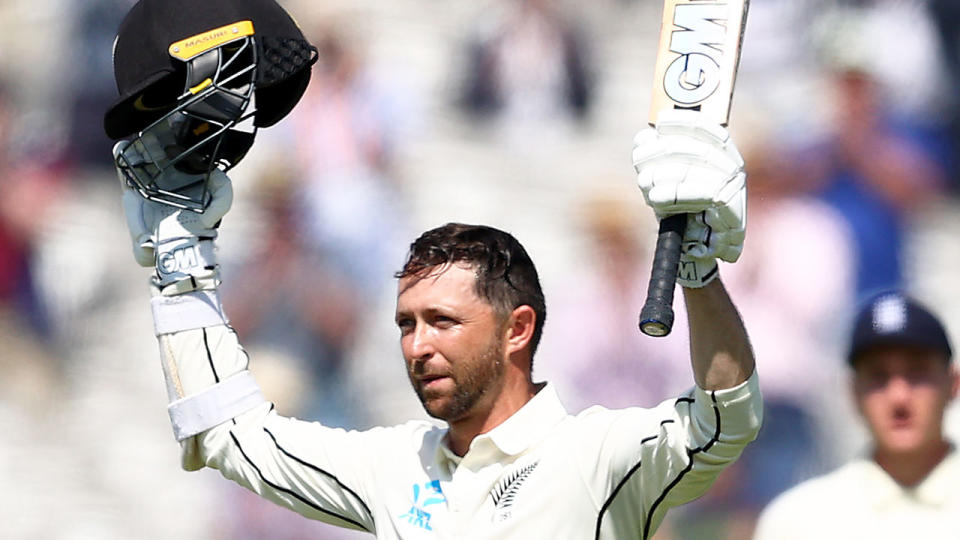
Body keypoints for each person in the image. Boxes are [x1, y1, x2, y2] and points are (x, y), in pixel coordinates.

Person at [106, 2, 761, 538]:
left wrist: (699, 277)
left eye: (442, 321)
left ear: (517, 328)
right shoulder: (394, 468)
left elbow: (726, 421)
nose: (417, 346)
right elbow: (228, 435)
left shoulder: (594, 455)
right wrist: (178, 266)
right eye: (407, 324)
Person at [753, 292, 958, 539]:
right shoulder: (797, 521)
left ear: (953, 383)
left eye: (918, 373)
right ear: (853, 392)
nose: (899, 397)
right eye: (878, 377)